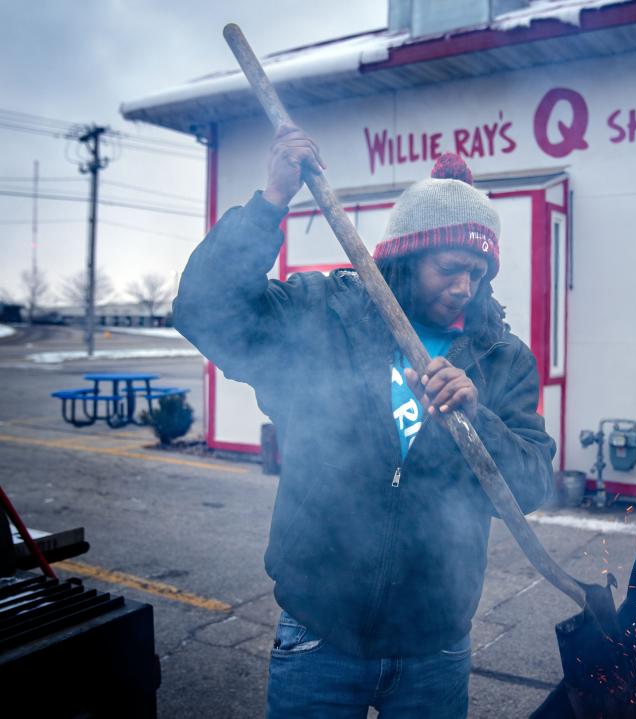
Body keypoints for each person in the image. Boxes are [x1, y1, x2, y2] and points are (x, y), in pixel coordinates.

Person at [174, 125, 555, 718]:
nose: (464, 287)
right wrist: (270, 202)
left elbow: (531, 486)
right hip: (320, 635)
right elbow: (205, 308)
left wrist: (479, 418)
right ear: (406, 256)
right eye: (451, 267)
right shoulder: (322, 315)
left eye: (479, 274)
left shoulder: (500, 358)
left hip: (436, 646)